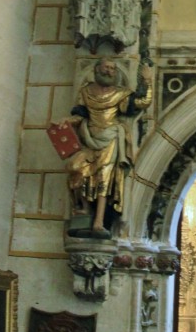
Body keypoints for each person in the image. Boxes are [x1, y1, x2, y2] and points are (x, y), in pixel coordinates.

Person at [55, 57, 152, 237]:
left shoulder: (120, 94)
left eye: (112, 69)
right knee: (75, 168)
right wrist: (66, 121)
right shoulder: (85, 92)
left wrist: (147, 81)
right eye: (106, 67)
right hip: (89, 137)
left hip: (111, 138)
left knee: (104, 178)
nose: (109, 71)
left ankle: (99, 221)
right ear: (97, 69)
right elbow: (79, 115)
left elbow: (142, 103)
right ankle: (83, 209)